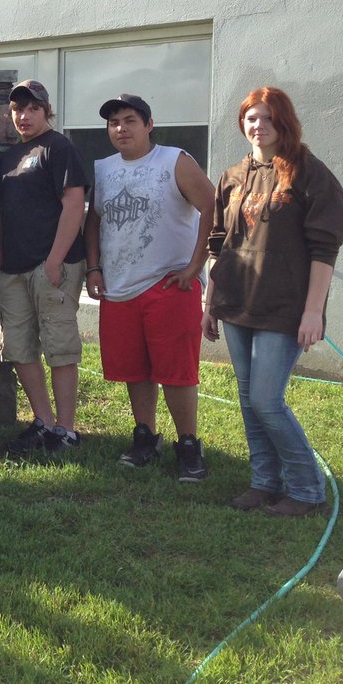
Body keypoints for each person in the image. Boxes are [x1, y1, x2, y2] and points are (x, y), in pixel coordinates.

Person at [203, 87, 343, 517]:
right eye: (251, 117)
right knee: (249, 399)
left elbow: (325, 248)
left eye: (268, 118)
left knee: (267, 400)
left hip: (284, 306)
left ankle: (306, 489)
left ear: (284, 122)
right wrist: (210, 303)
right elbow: (220, 243)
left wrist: (312, 310)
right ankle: (264, 482)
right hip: (236, 301)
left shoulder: (309, 173)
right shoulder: (233, 175)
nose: (258, 126)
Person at [84, 94, 215, 481]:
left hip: (169, 283)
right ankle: (145, 436)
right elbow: (95, 220)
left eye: (129, 120)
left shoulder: (175, 161)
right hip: (119, 287)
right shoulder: (104, 169)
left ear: (148, 125)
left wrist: (196, 265)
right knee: (134, 369)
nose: (120, 129)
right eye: (113, 123)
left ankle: (188, 443)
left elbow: (212, 206)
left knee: (176, 371)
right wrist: (94, 267)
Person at [0, 80, 89, 457]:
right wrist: (0, 261)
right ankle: (43, 422)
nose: (24, 115)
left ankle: (66, 430)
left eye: (32, 108)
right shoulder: (10, 158)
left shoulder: (59, 148)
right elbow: (4, 214)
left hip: (52, 266)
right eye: (18, 109)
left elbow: (74, 204)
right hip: (13, 268)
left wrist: (54, 260)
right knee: (19, 347)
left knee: (60, 348)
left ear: (46, 110)